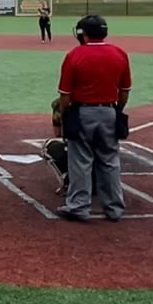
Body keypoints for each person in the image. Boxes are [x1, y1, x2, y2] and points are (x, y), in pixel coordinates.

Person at [56, 14, 132, 223]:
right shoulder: (119, 53)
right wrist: (116, 110)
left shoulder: (75, 55)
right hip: (109, 111)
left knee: (80, 161)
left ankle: (79, 206)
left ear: (83, 34)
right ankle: (114, 208)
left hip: (82, 112)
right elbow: (124, 91)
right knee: (110, 160)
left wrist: (66, 115)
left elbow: (65, 95)